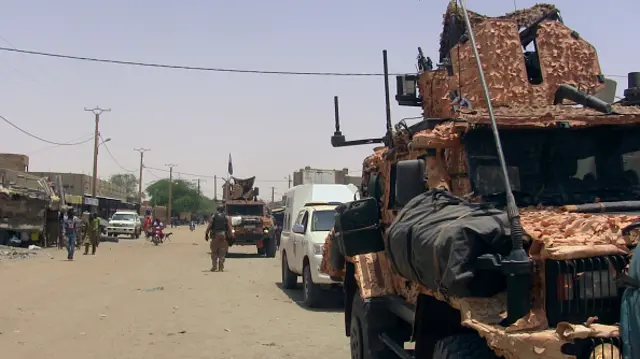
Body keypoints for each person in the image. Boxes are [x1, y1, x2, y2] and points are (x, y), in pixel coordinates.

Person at [205, 206, 233, 272]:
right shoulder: (226, 217)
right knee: (222, 251)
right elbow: (229, 227)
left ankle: (214, 267)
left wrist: (206, 234)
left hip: (215, 236)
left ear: (217, 209)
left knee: (214, 251)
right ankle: (221, 267)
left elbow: (210, 225)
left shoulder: (214, 216)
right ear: (223, 210)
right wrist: (231, 235)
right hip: (223, 236)